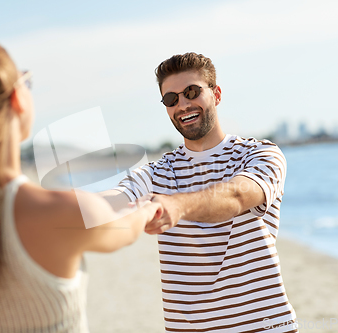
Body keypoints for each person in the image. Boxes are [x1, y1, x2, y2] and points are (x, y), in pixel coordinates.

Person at [0, 38, 162, 333]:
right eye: (27, 81)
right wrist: (147, 209)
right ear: (17, 98)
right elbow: (123, 230)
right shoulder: (61, 212)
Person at [101, 53, 297, 332]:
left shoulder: (260, 154)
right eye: (171, 99)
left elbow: (236, 196)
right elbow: (114, 200)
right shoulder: (158, 173)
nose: (182, 105)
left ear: (216, 94)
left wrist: (178, 206)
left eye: (191, 92)